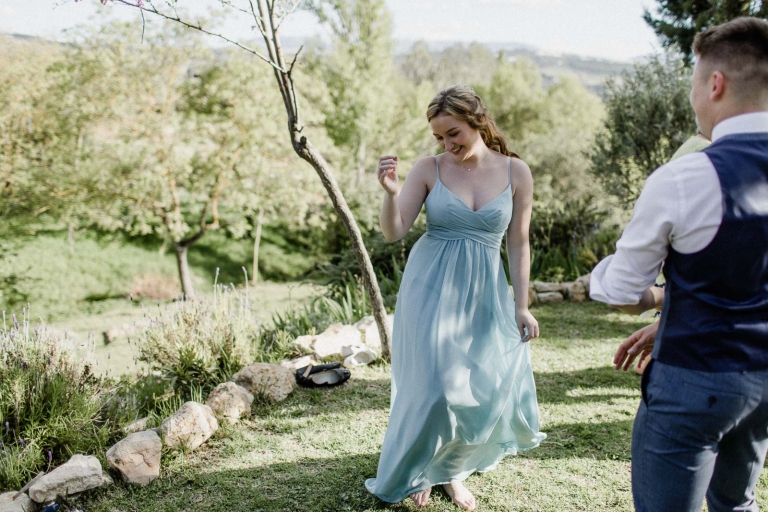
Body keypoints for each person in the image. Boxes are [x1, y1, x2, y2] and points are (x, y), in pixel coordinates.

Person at [590, 17, 768, 512]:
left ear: (715, 84)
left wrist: (604, 276)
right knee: (737, 503)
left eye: (693, 82)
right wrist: (674, 311)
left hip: (696, 376)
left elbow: (623, 293)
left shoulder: (685, 178)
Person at [365, 85, 545, 511]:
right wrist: (391, 194)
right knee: (432, 387)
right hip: (430, 286)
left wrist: (521, 304)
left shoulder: (516, 172)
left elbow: (519, 243)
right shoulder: (428, 168)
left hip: (484, 289)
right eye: (440, 137)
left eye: (454, 133)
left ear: (478, 122)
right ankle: (418, 468)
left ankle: (451, 470)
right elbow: (394, 231)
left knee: (474, 386)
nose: (448, 144)